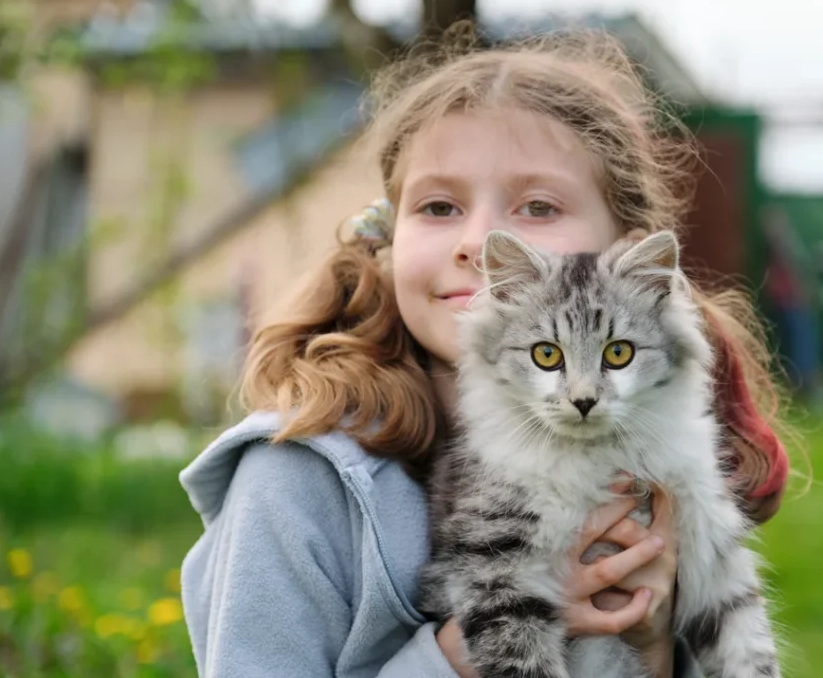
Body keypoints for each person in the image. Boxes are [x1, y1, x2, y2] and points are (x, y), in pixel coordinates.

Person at [178, 25, 790, 678]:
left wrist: (653, 647)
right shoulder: (293, 482)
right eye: (439, 206)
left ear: (627, 258)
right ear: (387, 240)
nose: (480, 240)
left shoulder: (654, 447)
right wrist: (460, 657)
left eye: (537, 206)